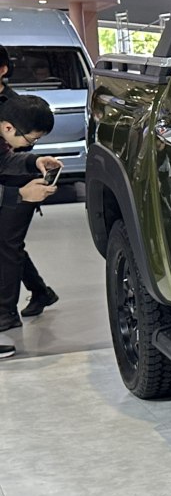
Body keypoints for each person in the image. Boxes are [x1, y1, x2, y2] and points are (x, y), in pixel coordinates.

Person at [0, 47, 58, 332]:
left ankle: (6, 313)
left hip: (16, 185)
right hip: (14, 190)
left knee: (8, 247)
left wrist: (33, 162)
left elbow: (6, 158)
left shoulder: (16, 104)